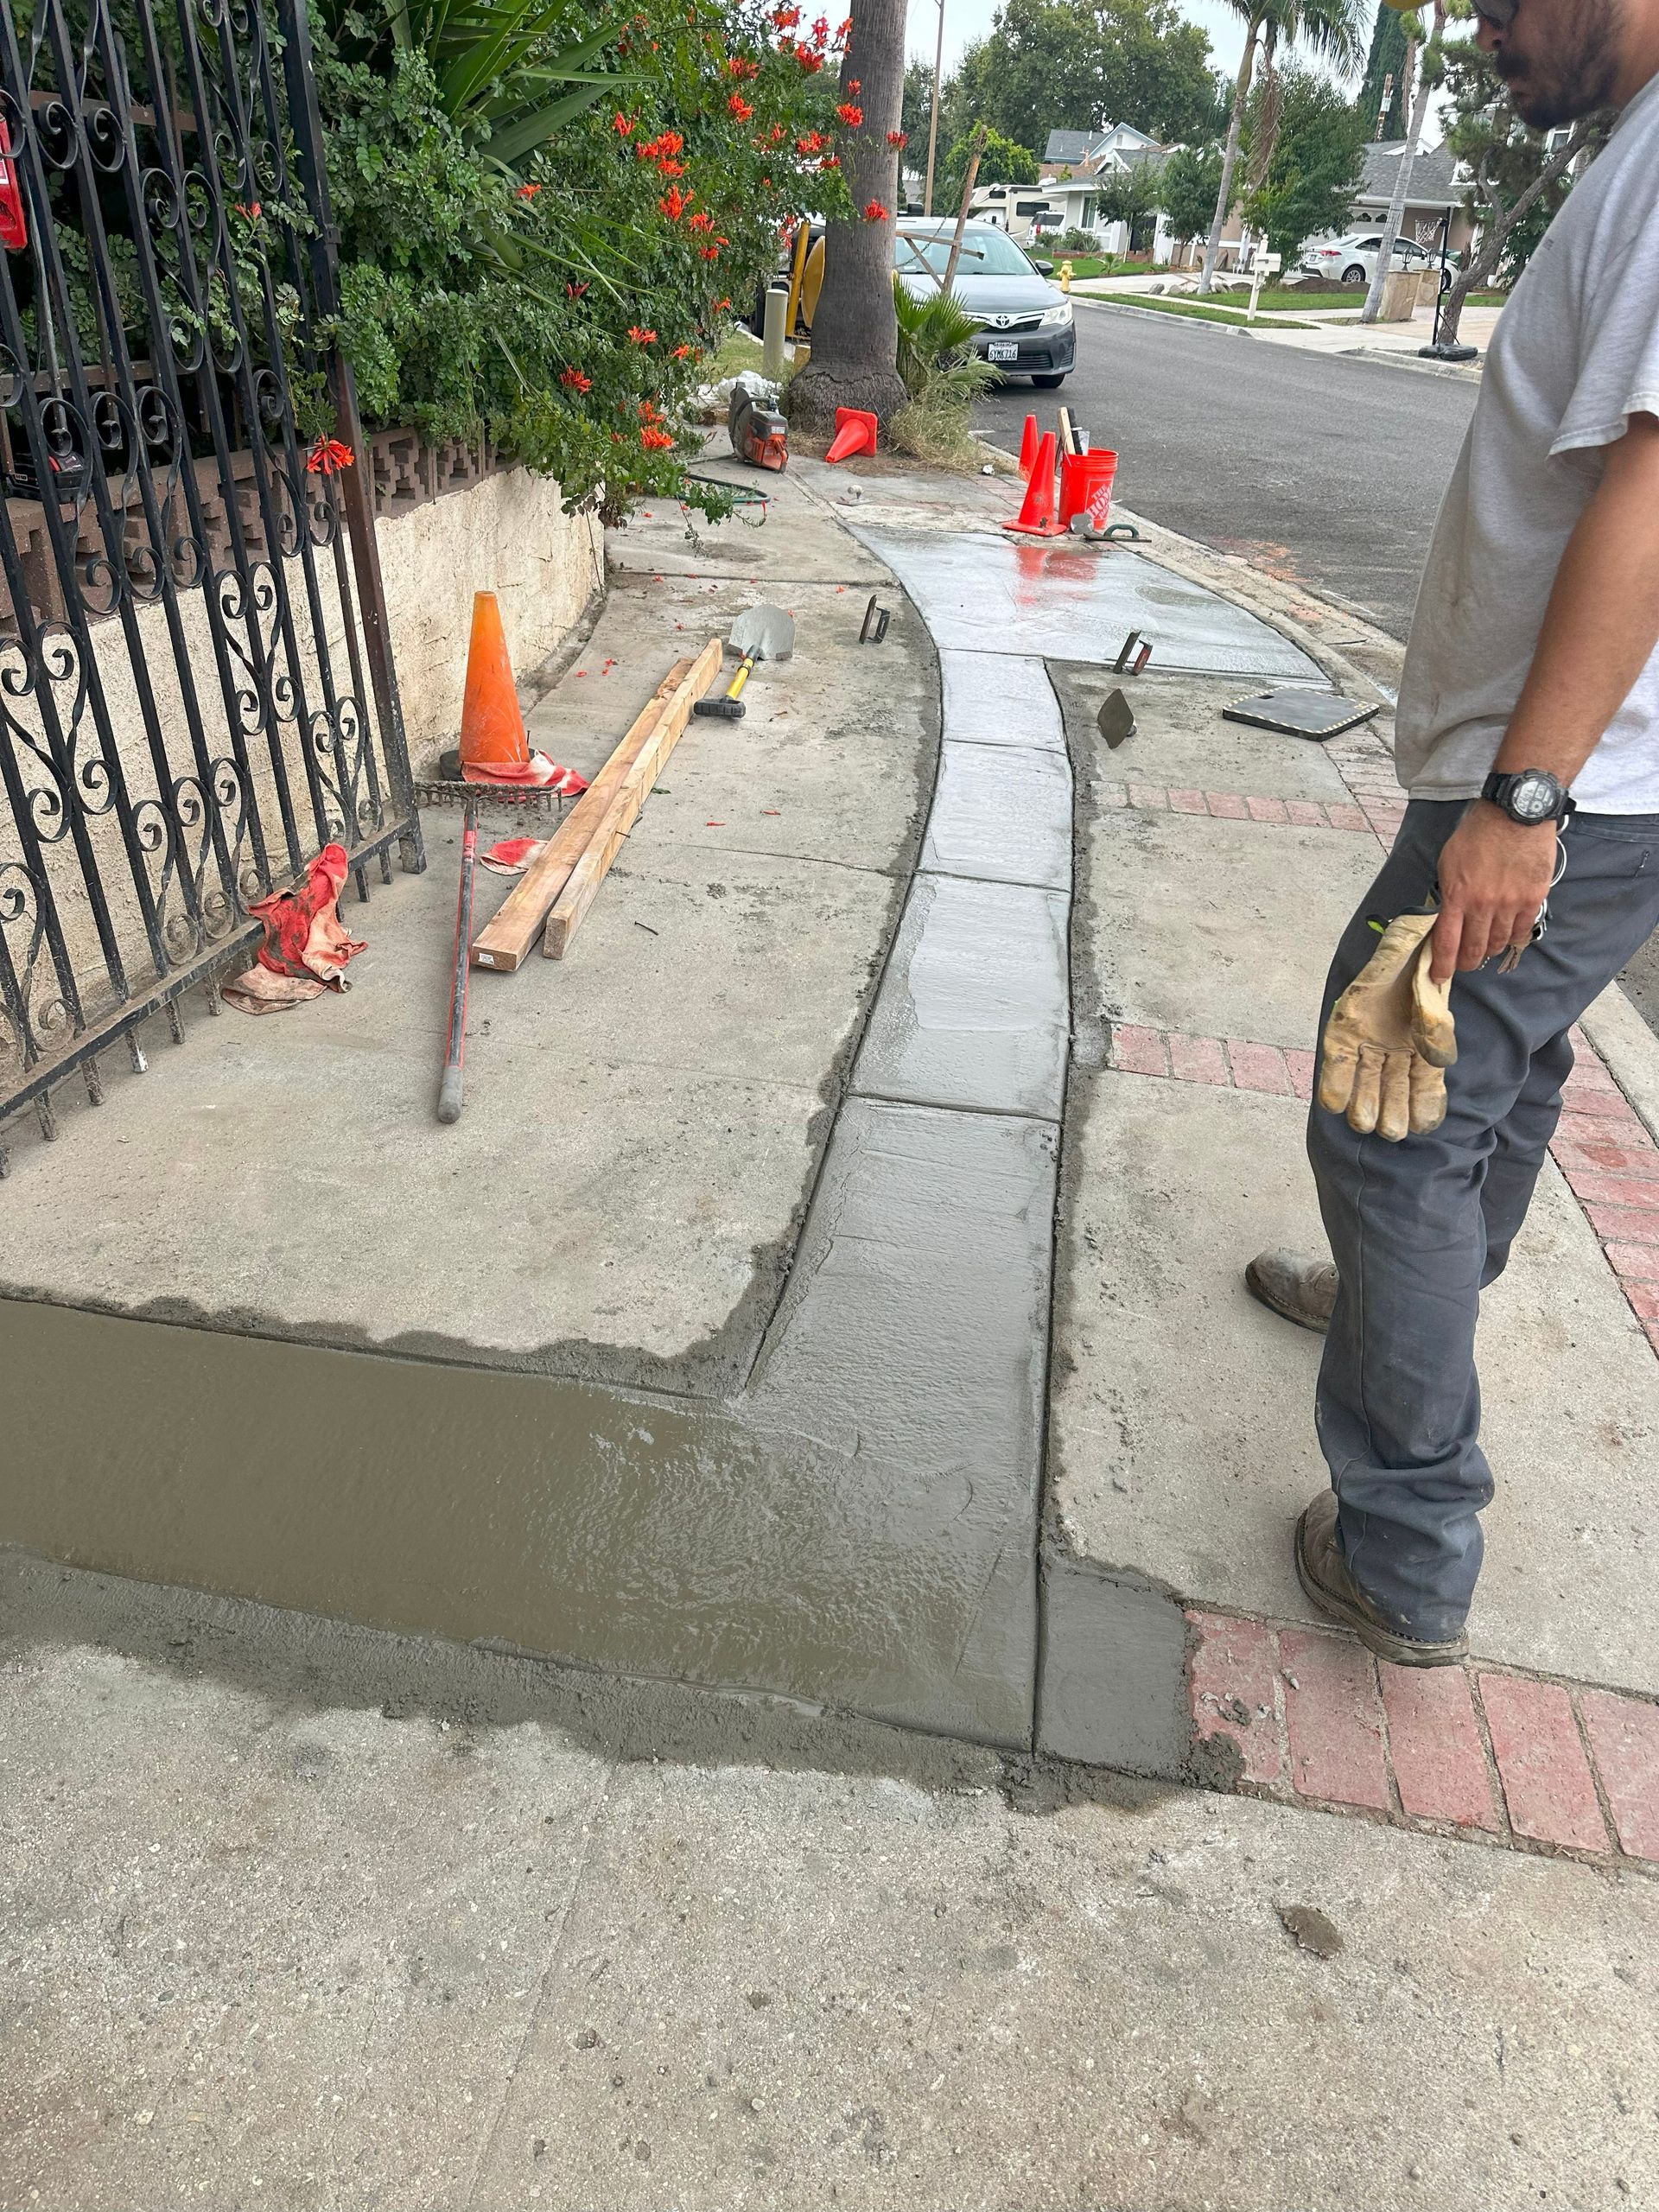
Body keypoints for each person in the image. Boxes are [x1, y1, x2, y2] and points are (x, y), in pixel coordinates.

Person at [1249, 0, 1659, 1667]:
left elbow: (1651, 492)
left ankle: (1407, 1546)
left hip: (1565, 785)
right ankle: (1403, 1306)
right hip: (1575, 780)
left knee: (1386, 1108)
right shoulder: (1630, 150)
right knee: (1499, 1071)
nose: (1481, 25)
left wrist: (1523, 802)